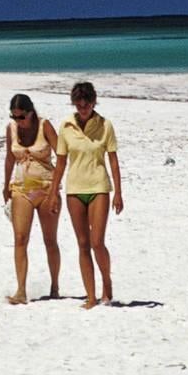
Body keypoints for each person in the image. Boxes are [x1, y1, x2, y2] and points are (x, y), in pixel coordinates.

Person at [48, 80, 122, 308]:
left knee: (97, 242)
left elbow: (113, 160)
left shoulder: (105, 125)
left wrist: (119, 192)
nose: (83, 109)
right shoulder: (66, 126)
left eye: (87, 104)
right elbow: (60, 163)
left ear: (93, 102)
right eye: (79, 105)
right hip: (74, 190)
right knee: (82, 244)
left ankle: (106, 283)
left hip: (99, 187)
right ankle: (91, 296)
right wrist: (53, 192)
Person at [1, 92, 61, 304]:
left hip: (46, 188)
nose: (19, 121)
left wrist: (55, 190)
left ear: (31, 112)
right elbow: (10, 157)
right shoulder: (12, 129)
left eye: (22, 117)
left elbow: (62, 156)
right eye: (14, 117)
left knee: (50, 240)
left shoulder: (45, 126)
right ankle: (21, 290)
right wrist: (5, 183)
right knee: (20, 238)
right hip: (21, 188)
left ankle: (54, 286)